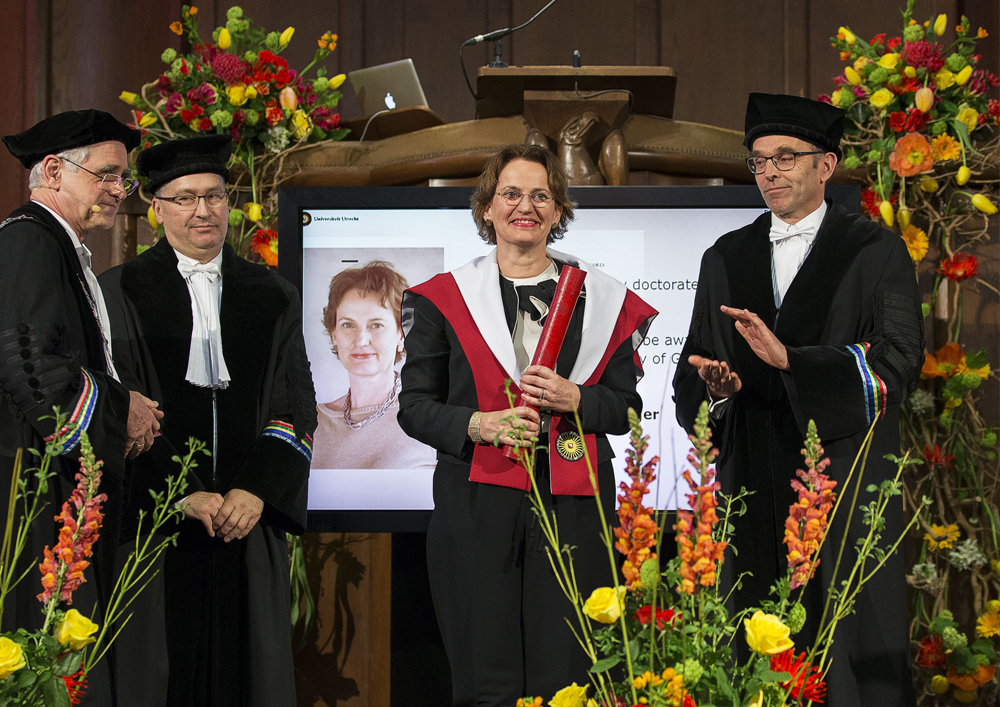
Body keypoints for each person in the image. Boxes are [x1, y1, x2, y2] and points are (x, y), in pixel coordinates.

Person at [672, 93, 923, 706]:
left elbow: (898, 365)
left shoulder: (875, 251)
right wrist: (716, 390)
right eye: (759, 161)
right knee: (759, 638)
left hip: (842, 469)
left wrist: (795, 363)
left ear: (826, 166)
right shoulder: (725, 255)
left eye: (786, 158)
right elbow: (694, 364)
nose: (771, 172)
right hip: (754, 468)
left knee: (845, 638)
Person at [398, 144, 657, 706]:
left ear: (558, 210)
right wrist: (479, 425)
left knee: (567, 674)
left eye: (541, 195)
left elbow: (628, 409)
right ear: (487, 208)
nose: (526, 206)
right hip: (476, 505)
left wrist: (577, 398)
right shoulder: (441, 299)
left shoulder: (602, 299)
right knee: (484, 676)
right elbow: (414, 407)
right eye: (511, 194)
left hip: (574, 507)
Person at [99, 134, 317, 707]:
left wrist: (255, 491)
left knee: (251, 675)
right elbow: (118, 412)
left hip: (247, 524)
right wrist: (182, 495)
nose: (203, 210)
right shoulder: (116, 293)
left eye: (215, 196)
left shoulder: (273, 294)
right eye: (186, 197)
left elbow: (294, 407)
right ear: (157, 210)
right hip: (156, 524)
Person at [0, 109, 162, 705]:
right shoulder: (27, 241)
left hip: (56, 485)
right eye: (107, 175)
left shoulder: (58, 245)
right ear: (52, 170)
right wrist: (122, 413)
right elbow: (30, 366)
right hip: (34, 489)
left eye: (125, 179)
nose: (120, 191)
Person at [311, 260, 436, 469]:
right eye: (348, 325)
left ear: (401, 335)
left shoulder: (429, 417)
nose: (360, 340)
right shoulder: (314, 422)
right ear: (334, 335)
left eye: (376, 325)